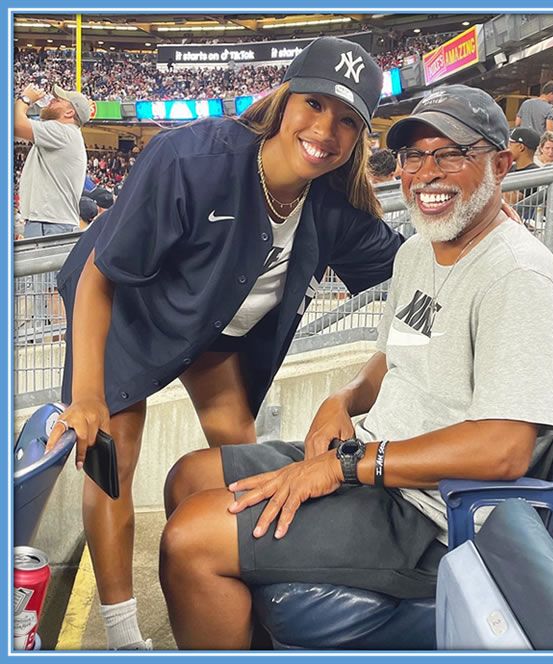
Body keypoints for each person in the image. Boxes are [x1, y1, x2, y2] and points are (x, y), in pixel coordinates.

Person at [158, 84, 553, 650]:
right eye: (414, 156)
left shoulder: (517, 278)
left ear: (501, 164)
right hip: (377, 465)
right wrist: (343, 399)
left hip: (434, 514)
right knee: (189, 476)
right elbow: (393, 356)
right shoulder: (417, 251)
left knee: (190, 538)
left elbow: (505, 448)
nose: (427, 173)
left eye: (452, 154)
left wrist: (348, 467)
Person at [46, 36, 401, 651]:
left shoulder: (335, 207)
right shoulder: (192, 157)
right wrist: (84, 398)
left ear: (360, 137)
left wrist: (485, 227)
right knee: (112, 456)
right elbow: (103, 275)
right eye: (315, 104)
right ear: (286, 99)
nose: (326, 129)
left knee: (238, 447)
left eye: (348, 120)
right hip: (125, 306)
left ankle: (246, 588)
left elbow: (412, 268)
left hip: (207, 323)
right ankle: (125, 635)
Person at [14, 83, 91, 237]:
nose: (50, 101)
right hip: (49, 221)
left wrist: (26, 99)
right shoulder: (62, 132)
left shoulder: (63, 131)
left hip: (49, 223)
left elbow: (15, 125)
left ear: (69, 112)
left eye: (58, 100)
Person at [504, 127, 540, 206]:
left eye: (510, 144)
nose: (507, 147)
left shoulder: (535, 173)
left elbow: (514, 200)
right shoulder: (510, 168)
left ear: (521, 147)